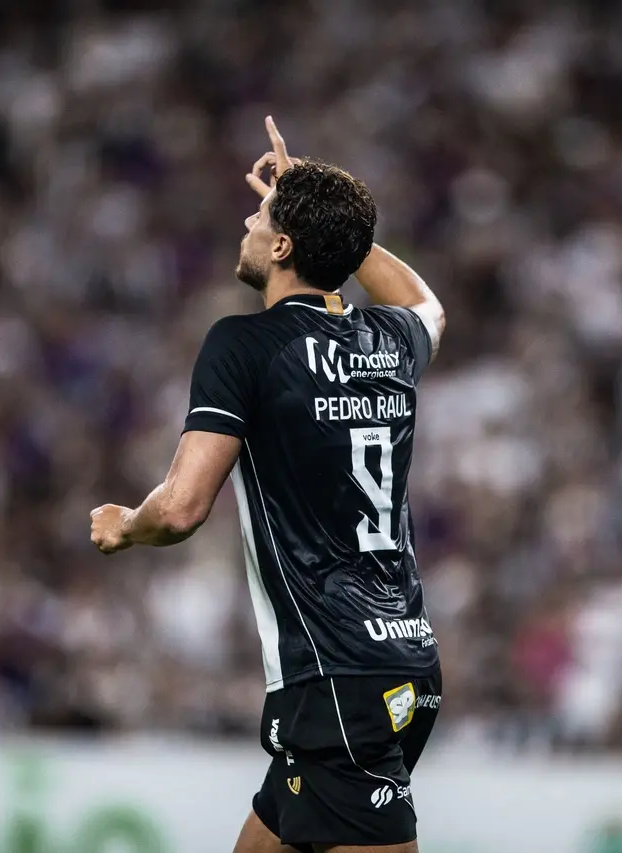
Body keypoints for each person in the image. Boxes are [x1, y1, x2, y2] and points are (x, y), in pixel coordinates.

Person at [89, 116, 446, 853]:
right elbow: (427, 305)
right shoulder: (389, 341)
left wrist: (125, 524)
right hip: (402, 656)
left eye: (261, 217)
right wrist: (334, 230)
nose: (249, 224)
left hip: (336, 676)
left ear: (282, 247)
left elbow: (181, 508)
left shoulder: (245, 345)